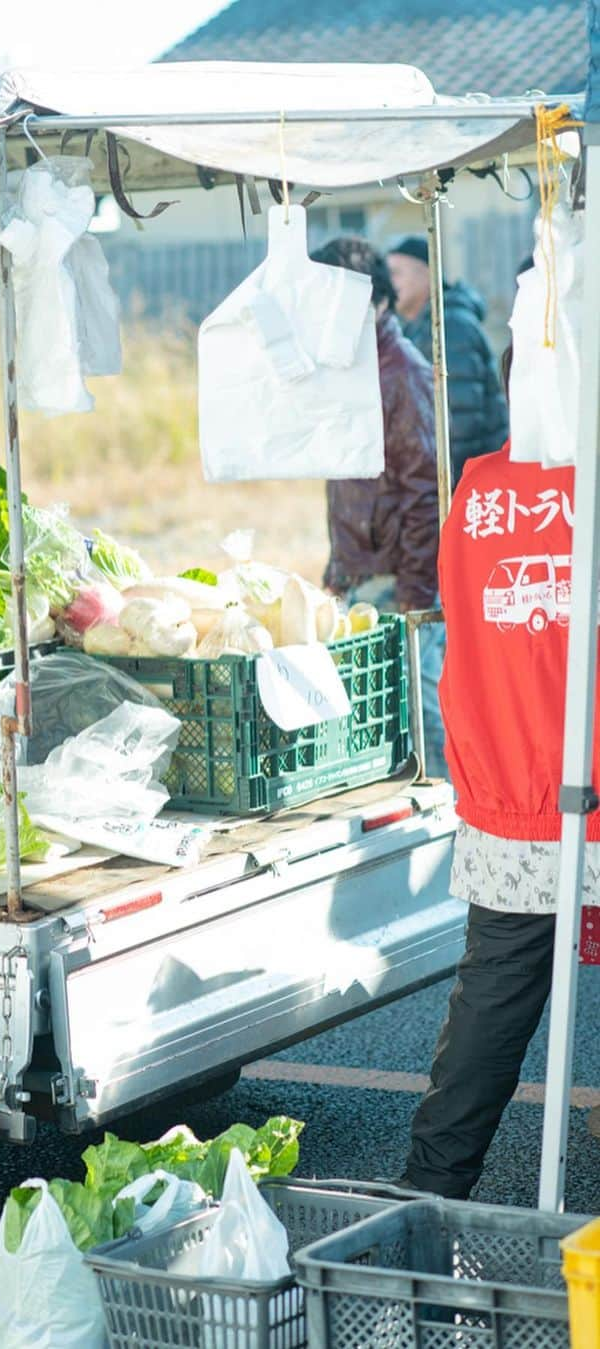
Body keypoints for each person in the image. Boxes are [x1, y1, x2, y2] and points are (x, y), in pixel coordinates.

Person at [401, 283, 586, 1198]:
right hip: (585, 787)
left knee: (492, 1006)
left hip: (508, 798)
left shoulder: (477, 494)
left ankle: (429, 1199)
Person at [309, 236, 447, 779]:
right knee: (380, 717)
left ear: (373, 301)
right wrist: (338, 568)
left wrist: (415, 595)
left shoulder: (401, 371)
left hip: (399, 579)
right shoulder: (355, 365)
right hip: (363, 571)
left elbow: (424, 494)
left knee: (421, 710)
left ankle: (449, 817)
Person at [387, 236, 508, 486]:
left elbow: (459, 421)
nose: (390, 283)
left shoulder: (448, 327)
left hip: (466, 482)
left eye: (397, 273)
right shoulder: (418, 328)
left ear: (426, 273)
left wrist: (438, 489)